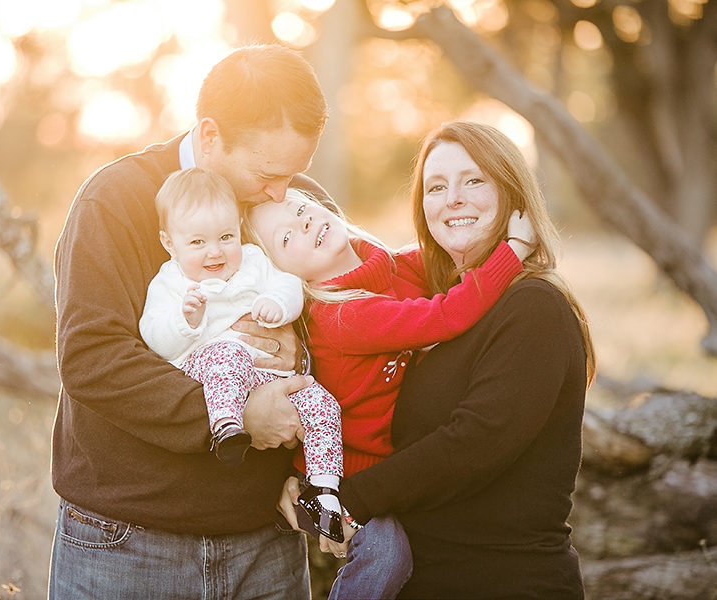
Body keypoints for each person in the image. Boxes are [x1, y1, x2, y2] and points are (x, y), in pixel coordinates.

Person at [49, 44, 331, 599]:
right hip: (128, 544)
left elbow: (351, 324)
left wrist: (300, 355)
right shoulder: (114, 202)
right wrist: (237, 412)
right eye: (267, 172)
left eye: (297, 172)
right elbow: (91, 358)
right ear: (209, 136)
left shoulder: (299, 208)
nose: (284, 193)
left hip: (265, 545)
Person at [280, 120, 597, 599]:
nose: (453, 199)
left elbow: (472, 445)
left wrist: (336, 504)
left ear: (513, 194)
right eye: (436, 186)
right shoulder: (436, 295)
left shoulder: (533, 307)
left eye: (473, 181)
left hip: (504, 583)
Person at [245, 184, 535, 599]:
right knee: (388, 553)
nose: (302, 221)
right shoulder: (343, 316)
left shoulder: (394, 266)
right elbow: (447, 316)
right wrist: (515, 249)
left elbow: (450, 259)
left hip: (388, 466)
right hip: (333, 475)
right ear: (281, 275)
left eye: (300, 207)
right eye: (286, 238)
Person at [138, 167, 345, 537]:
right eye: (197, 243)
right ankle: (227, 427)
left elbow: (289, 284)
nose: (215, 251)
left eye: (226, 236)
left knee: (321, 402)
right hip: (211, 368)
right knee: (226, 357)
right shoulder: (171, 283)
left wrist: (276, 304)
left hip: (267, 373)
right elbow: (154, 338)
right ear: (170, 243)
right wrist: (187, 320)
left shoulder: (253, 261)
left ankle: (325, 490)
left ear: (238, 228)